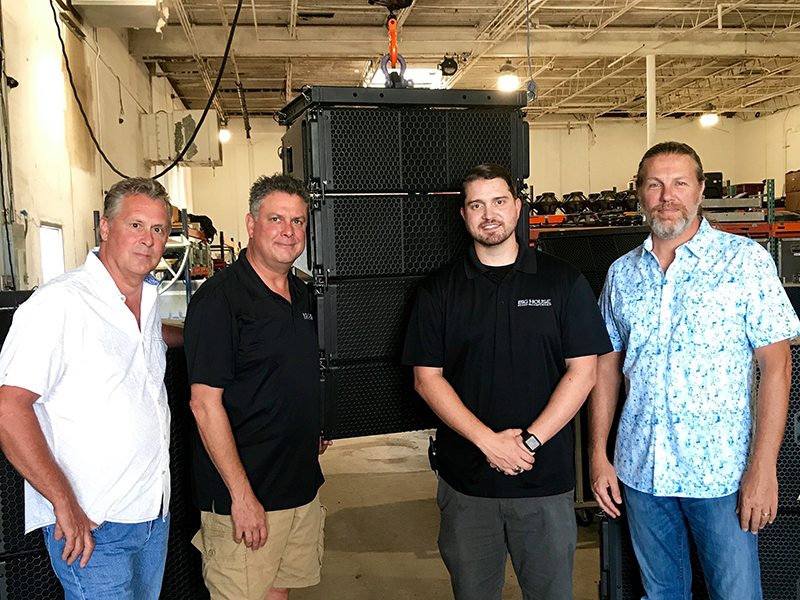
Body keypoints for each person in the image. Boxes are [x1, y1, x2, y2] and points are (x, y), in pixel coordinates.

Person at [589, 141, 800, 599]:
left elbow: (777, 367)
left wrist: (764, 469)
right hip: (641, 471)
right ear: (640, 193)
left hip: (721, 474)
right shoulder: (622, 273)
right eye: (655, 185)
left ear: (700, 190)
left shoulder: (744, 262)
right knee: (661, 594)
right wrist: (599, 455)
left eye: (680, 183)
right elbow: (606, 366)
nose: (668, 196)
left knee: (736, 594)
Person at [403, 163, 612, 600]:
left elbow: (584, 371)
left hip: (545, 485)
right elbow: (427, 379)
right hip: (467, 487)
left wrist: (528, 443)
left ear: (517, 208)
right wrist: (488, 442)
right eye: (476, 205)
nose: (488, 214)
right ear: (463, 215)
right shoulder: (438, 290)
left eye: (498, 202)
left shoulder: (563, 281)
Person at [0, 178, 178, 600]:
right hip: (92, 525)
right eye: (135, 225)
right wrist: (64, 504)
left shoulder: (148, 301)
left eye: (158, 230)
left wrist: (203, 333)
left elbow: (145, 339)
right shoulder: (59, 304)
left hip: (152, 518)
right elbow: (9, 409)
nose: (148, 240)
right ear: (105, 227)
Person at [184, 173, 329, 600]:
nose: (289, 231)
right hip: (245, 497)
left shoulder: (303, 295)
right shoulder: (219, 301)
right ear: (251, 225)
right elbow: (204, 405)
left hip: (299, 489)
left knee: (278, 591)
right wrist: (242, 498)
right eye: (276, 219)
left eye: (299, 221)